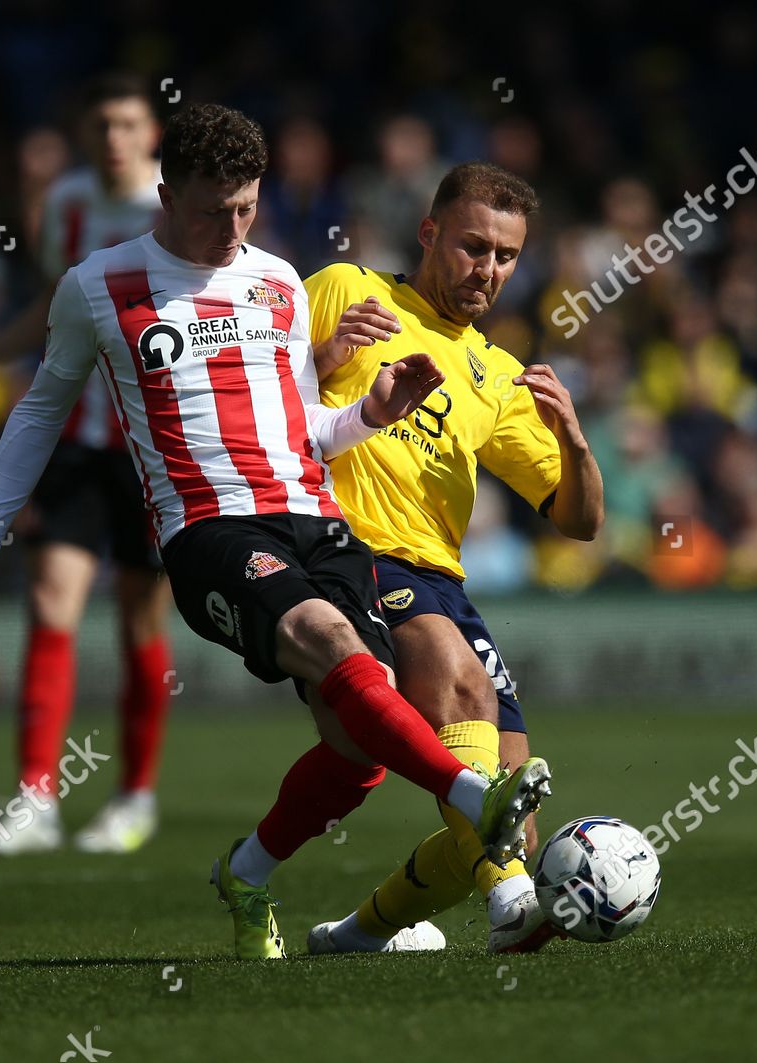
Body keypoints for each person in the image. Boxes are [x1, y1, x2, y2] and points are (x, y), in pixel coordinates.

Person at [0, 104, 553, 959]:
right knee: (334, 645)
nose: (232, 227)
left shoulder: (280, 283)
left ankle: (247, 872)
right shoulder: (97, 286)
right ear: (167, 190)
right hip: (209, 528)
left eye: (247, 207)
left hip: (315, 522)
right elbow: (40, 408)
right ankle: (477, 800)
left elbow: (303, 430)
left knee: (360, 743)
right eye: (214, 208)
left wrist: (370, 413)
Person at [300, 162, 605, 954]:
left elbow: (579, 520)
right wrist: (326, 362)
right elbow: (242, 395)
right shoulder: (343, 287)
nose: (489, 270)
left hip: (441, 577)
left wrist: (575, 444)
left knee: (510, 821)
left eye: (506, 257)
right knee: (458, 685)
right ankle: (510, 901)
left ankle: (356, 933)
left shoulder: (497, 374)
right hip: (351, 551)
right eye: (474, 246)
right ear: (429, 232)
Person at [0, 73, 172, 854]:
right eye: (101, 123)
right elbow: (52, 300)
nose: (113, 138)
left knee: (139, 613)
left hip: (151, 445)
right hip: (76, 435)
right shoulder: (67, 203)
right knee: (50, 596)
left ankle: (135, 794)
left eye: (127, 123)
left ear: (152, 132)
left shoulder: (176, 205)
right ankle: (35, 797)